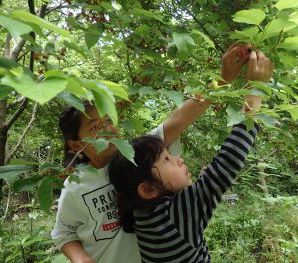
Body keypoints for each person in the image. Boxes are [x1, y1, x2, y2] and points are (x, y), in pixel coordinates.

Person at [51, 44, 254, 263]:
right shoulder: (74, 188)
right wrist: (82, 260)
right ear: (74, 145)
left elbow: (180, 117)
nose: (108, 130)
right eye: (95, 127)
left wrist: (223, 78)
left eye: (109, 120)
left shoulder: (140, 155)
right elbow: (64, 234)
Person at [108, 51, 274, 262]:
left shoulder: (142, 214)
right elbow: (228, 162)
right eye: (167, 159)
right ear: (148, 190)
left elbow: (175, 120)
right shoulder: (173, 216)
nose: (179, 159)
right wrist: (255, 92)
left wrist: (223, 79)